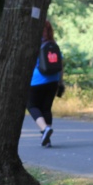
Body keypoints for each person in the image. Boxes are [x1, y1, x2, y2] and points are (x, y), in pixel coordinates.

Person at [27, 20, 63, 148]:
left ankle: (44, 129)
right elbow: (61, 64)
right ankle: (47, 140)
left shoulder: (34, 44)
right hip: (53, 80)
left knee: (31, 105)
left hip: (36, 81)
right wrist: (60, 82)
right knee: (46, 108)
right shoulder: (53, 44)